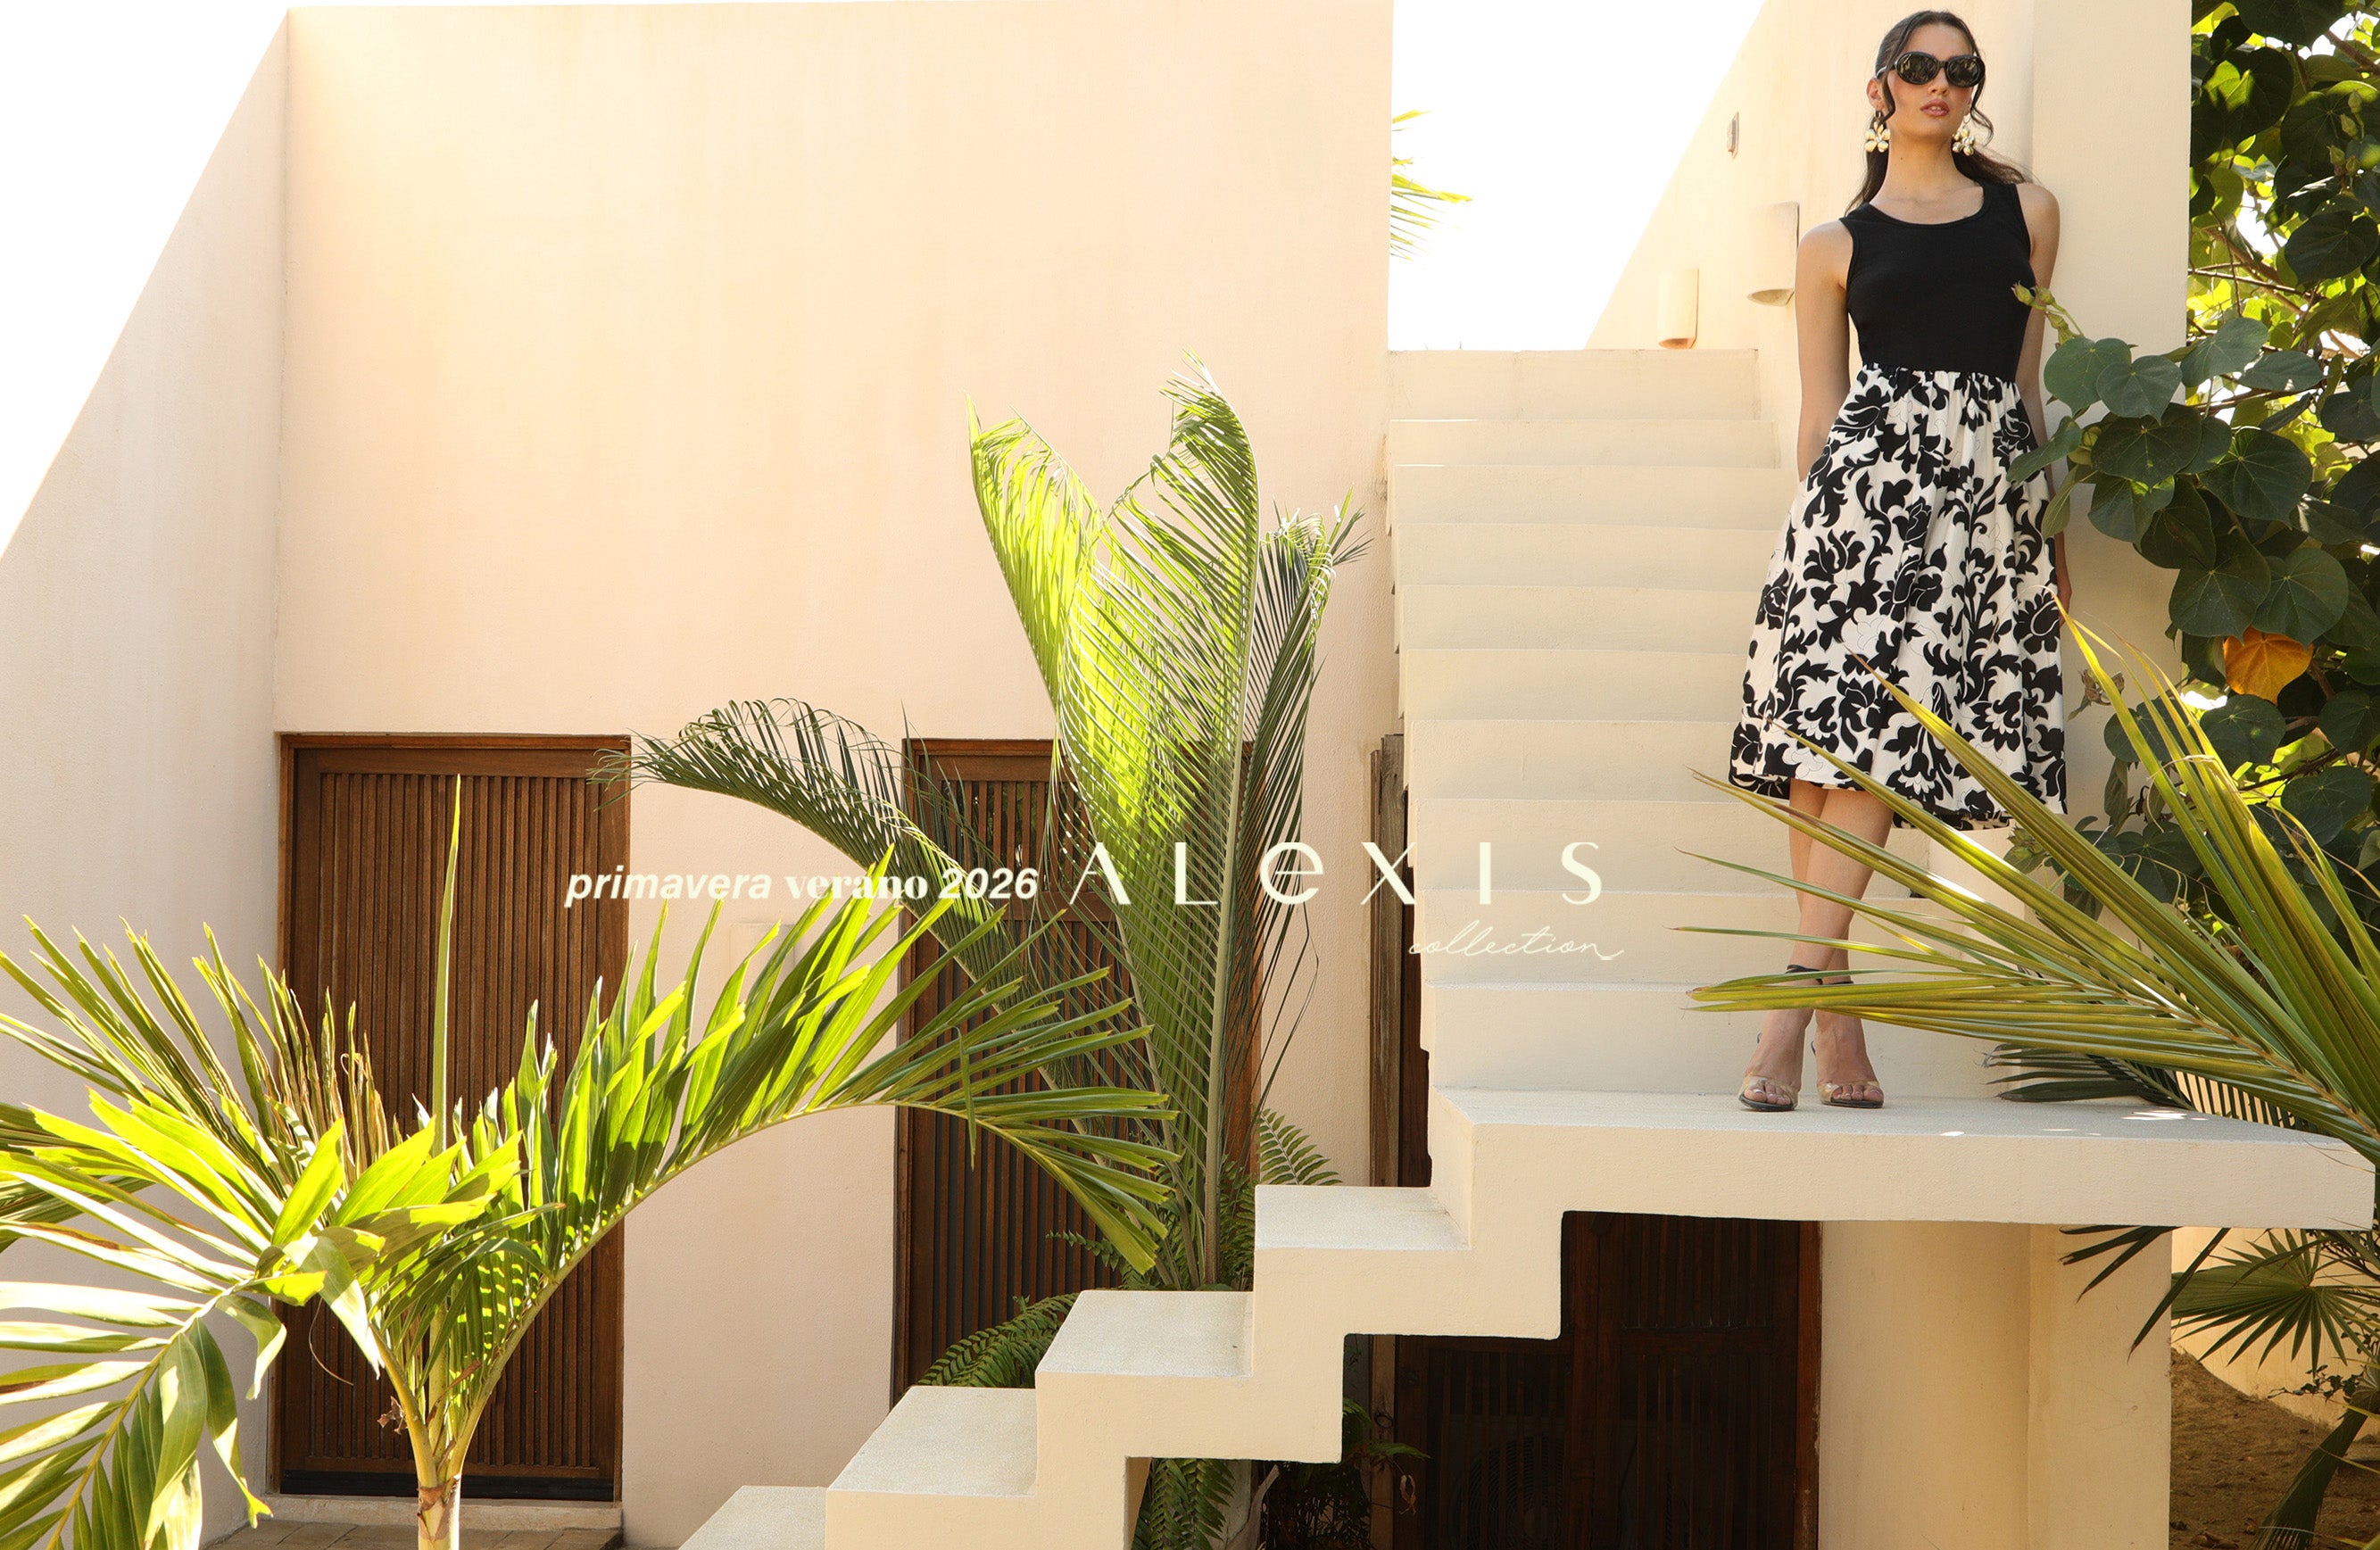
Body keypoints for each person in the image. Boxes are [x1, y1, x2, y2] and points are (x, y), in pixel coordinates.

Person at [1728, 9, 2069, 1113]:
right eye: (1920, 67)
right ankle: (1835, 1024)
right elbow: (1820, 411)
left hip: (1971, 517)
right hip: (1854, 517)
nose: (1942, 84)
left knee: (1867, 757)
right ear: (1881, 88)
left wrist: (2046, 532)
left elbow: (2024, 387)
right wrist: (1814, 551)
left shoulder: (2025, 214)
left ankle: (1793, 1013)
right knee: (1822, 764)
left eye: (1962, 70)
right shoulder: (1834, 244)